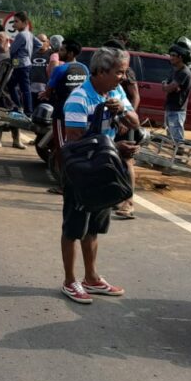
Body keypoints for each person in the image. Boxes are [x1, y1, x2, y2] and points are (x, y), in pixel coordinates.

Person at [59, 47, 139, 304]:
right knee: (74, 227)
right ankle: (70, 281)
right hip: (82, 171)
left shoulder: (116, 92)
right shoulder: (78, 99)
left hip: (104, 170)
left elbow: (135, 122)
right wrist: (116, 148)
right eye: (119, 72)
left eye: (123, 72)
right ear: (101, 71)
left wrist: (123, 112)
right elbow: (76, 142)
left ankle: (91, 278)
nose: (122, 78)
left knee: (94, 226)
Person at [40, 38, 88, 188]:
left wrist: (44, 94)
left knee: (62, 147)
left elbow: (48, 91)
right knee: (77, 146)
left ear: (70, 53)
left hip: (62, 113)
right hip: (81, 113)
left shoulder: (60, 69)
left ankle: (64, 184)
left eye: (62, 50)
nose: (59, 52)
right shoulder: (84, 69)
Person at [104, 38, 140, 219]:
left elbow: (135, 96)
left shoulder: (127, 72)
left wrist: (126, 120)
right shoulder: (106, 71)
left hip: (125, 122)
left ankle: (129, 202)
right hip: (112, 124)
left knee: (127, 161)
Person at [0, 30, 22, 149]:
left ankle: (16, 140)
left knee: (15, 113)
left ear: (7, 41)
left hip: (11, 89)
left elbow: (17, 67)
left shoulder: (14, 53)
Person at [163, 43, 191, 144]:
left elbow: (168, 88)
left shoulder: (184, 72)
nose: (170, 57)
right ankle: (174, 158)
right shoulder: (175, 70)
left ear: (180, 57)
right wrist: (167, 86)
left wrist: (166, 86)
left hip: (177, 110)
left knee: (177, 140)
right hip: (170, 108)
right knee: (171, 138)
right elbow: (168, 86)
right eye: (170, 55)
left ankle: (179, 159)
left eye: (173, 55)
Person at [8, 11, 34, 115]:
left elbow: (12, 50)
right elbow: (38, 45)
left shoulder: (21, 35)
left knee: (21, 88)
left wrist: (23, 55)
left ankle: (24, 109)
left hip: (21, 65)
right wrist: (28, 54)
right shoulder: (29, 34)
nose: (14, 24)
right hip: (24, 63)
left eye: (16, 21)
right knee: (20, 87)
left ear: (24, 23)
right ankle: (22, 108)